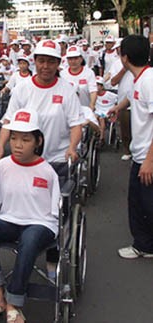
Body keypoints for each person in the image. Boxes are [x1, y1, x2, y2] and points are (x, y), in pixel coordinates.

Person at [0, 39, 82, 278]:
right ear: (35, 61)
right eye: (41, 61)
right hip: (25, 163)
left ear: (57, 64)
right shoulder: (22, 88)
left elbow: (76, 124)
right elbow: (8, 122)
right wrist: (1, 147)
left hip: (57, 161)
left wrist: (73, 147)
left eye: (51, 61)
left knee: (55, 212)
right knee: (18, 206)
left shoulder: (66, 89)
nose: (45, 66)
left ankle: (53, 258)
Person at [0, 109, 60, 322]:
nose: (18, 144)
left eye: (25, 139)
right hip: (9, 219)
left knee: (29, 239)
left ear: (38, 141)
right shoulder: (3, 165)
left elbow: (55, 213)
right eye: (13, 138)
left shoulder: (47, 171)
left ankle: (14, 300)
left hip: (41, 223)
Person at [107, 35, 153, 259]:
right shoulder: (141, 77)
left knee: (145, 204)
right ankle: (144, 245)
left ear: (124, 57)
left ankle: (146, 245)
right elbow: (135, 99)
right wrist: (119, 106)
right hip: (140, 153)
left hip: (147, 156)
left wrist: (149, 161)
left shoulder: (149, 80)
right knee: (138, 202)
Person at [60, 45, 97, 110]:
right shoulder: (62, 74)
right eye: (70, 59)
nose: (73, 61)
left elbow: (93, 91)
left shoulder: (89, 73)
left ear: (81, 59)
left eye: (76, 58)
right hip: (68, 110)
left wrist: (92, 105)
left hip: (85, 109)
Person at [94, 76, 118, 142]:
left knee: (101, 118)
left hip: (107, 112)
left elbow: (117, 102)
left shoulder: (110, 95)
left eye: (97, 85)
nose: (96, 87)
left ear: (102, 87)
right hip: (98, 111)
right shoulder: (93, 95)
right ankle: (95, 133)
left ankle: (101, 138)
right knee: (93, 118)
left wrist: (115, 113)